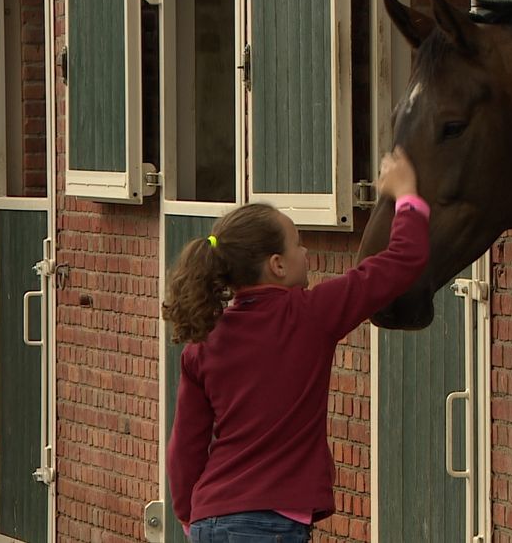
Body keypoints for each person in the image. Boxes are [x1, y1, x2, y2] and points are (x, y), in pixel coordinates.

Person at [163, 148, 429, 542]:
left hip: (209, 519)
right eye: (298, 243)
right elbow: (402, 260)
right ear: (278, 265)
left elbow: (184, 449)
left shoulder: (203, 343)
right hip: (267, 524)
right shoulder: (311, 314)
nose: (306, 252)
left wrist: (191, 518)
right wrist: (407, 195)